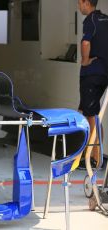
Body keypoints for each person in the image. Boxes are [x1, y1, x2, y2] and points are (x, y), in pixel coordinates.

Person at [78, 0, 108, 168]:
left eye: (79, 2)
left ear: (85, 2)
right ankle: (92, 155)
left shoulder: (91, 20)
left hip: (92, 74)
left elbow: (85, 42)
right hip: (103, 74)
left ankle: (94, 160)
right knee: (89, 113)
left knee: (90, 116)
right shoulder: (105, 19)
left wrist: (85, 60)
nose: (78, 5)